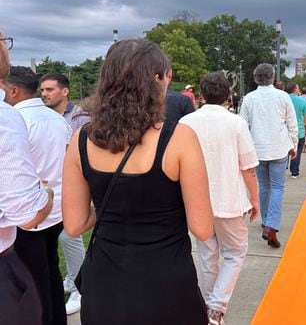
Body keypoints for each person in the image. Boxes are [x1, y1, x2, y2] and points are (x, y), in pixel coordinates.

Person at [62, 39, 213, 324]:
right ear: (157, 78)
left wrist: (118, 208)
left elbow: (74, 224)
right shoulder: (178, 138)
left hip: (105, 284)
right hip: (165, 283)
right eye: (168, 76)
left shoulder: (80, 140)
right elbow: (203, 229)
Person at [180, 72, 259, 325]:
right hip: (229, 198)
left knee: (207, 255)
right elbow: (248, 167)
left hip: (196, 200)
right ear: (228, 96)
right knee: (235, 253)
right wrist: (255, 199)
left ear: (202, 94)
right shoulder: (235, 123)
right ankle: (216, 306)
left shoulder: (186, 122)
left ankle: (209, 308)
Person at [1, 66, 72, 325]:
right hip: (56, 207)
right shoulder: (58, 120)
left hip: (30, 210)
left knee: (32, 278)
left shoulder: (14, 119)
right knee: (50, 269)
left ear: (13, 90)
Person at [1, 31, 55, 325]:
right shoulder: (9, 118)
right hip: (37, 215)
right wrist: (47, 195)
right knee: (45, 276)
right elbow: (26, 213)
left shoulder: (17, 118)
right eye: (3, 41)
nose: (6, 49)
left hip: (33, 221)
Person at [40, 72, 90, 315]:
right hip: (55, 184)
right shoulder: (45, 117)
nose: (44, 94)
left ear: (64, 91)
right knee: (61, 236)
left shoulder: (80, 118)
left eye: (49, 90)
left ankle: (81, 285)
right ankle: (73, 278)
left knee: (70, 236)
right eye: (42, 90)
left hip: (76, 184)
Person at [240, 63, 298, 248]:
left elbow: (243, 125)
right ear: (272, 77)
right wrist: (294, 143)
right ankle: (272, 224)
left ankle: (266, 220)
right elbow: (292, 123)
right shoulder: (283, 97)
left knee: (263, 186)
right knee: (278, 187)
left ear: (256, 78)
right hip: (279, 148)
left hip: (258, 149)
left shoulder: (249, 98)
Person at [286, 83, 306, 179]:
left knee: (284, 151)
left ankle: (282, 167)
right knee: (297, 151)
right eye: (298, 88)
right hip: (299, 131)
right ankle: (294, 171)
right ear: (295, 89)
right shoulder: (302, 101)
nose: (299, 89)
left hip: (285, 131)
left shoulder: (284, 100)